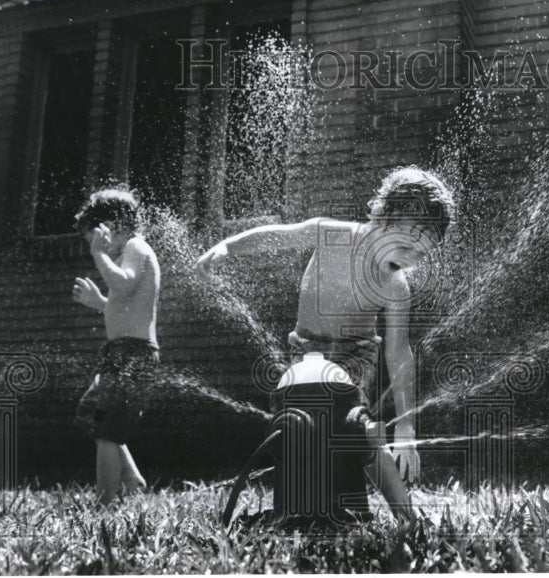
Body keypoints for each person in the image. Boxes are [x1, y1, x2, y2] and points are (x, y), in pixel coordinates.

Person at [195, 166, 456, 488]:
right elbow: (279, 235)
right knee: (296, 425)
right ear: (384, 216)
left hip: (356, 353)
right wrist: (229, 247)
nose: (410, 260)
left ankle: (402, 510)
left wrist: (406, 428)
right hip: (304, 348)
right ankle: (304, 501)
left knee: (348, 422)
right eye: (406, 248)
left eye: (420, 255)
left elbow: (399, 353)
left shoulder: (395, 286)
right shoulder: (333, 235)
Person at [72, 188, 161, 505]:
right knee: (98, 418)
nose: (94, 247)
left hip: (132, 353)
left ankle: (105, 503)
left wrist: (100, 256)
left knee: (107, 429)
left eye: (96, 238)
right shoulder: (125, 253)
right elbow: (125, 303)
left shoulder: (137, 247)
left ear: (115, 225)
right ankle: (133, 480)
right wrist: (100, 303)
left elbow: (124, 282)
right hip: (120, 351)